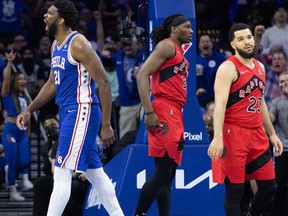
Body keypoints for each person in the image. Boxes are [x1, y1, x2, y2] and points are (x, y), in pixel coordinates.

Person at [16, 1, 123, 215]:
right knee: (95, 173)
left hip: (82, 110)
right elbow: (51, 83)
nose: (45, 15)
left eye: (50, 13)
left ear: (61, 19)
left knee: (62, 171)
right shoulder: (56, 45)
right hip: (68, 112)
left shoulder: (79, 43)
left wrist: (106, 124)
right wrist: (30, 109)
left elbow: (103, 82)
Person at [207, 23, 283, 216]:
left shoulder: (259, 67)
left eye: (249, 37)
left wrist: (272, 134)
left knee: (269, 186)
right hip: (234, 133)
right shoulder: (228, 68)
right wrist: (217, 137)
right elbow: (220, 105)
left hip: (256, 133)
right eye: (241, 39)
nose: (247, 42)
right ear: (233, 44)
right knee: (236, 191)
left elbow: (261, 103)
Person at [134, 14, 193, 216]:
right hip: (163, 109)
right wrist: (149, 111)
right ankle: (138, 213)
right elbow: (142, 75)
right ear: (174, 29)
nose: (191, 30)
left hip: (176, 111)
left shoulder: (178, 52)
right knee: (162, 171)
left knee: (168, 175)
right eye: (186, 26)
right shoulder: (166, 46)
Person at [2, 49, 33, 202]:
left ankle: (21, 178)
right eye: (20, 79)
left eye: (24, 79)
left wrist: (28, 131)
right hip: (10, 130)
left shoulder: (24, 97)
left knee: (26, 160)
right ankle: (13, 188)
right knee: (12, 160)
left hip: (22, 132)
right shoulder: (7, 94)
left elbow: (29, 116)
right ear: (15, 81)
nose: (23, 81)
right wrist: (9, 62)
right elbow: (6, 79)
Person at [269, 72, 288, 216]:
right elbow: (270, 118)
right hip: (283, 150)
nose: (283, 84)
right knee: (279, 187)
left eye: (286, 81)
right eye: (281, 82)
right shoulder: (275, 103)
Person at [196, 34, 226, 108]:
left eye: (207, 41)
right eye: (202, 42)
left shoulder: (221, 58)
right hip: (199, 99)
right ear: (199, 46)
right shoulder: (194, 60)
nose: (205, 43)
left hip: (216, 98)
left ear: (211, 45)